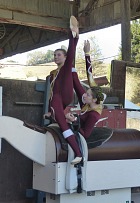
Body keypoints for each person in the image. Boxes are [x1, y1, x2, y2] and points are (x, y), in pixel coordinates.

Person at [43, 16, 83, 165]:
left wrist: (83, 97)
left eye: (58, 54)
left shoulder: (67, 67)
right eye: (54, 55)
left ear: (65, 57)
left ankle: (74, 37)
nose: (55, 57)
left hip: (66, 95)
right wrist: (49, 110)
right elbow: (51, 93)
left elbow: (77, 84)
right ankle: (78, 153)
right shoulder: (53, 73)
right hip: (57, 100)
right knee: (61, 122)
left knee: (67, 69)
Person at [65, 40, 105, 139]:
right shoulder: (88, 101)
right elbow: (89, 74)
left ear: (94, 99)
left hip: (82, 134)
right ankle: (68, 60)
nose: (84, 95)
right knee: (75, 81)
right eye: (86, 93)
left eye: (88, 95)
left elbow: (85, 134)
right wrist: (86, 54)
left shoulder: (93, 115)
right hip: (86, 107)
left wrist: (73, 120)